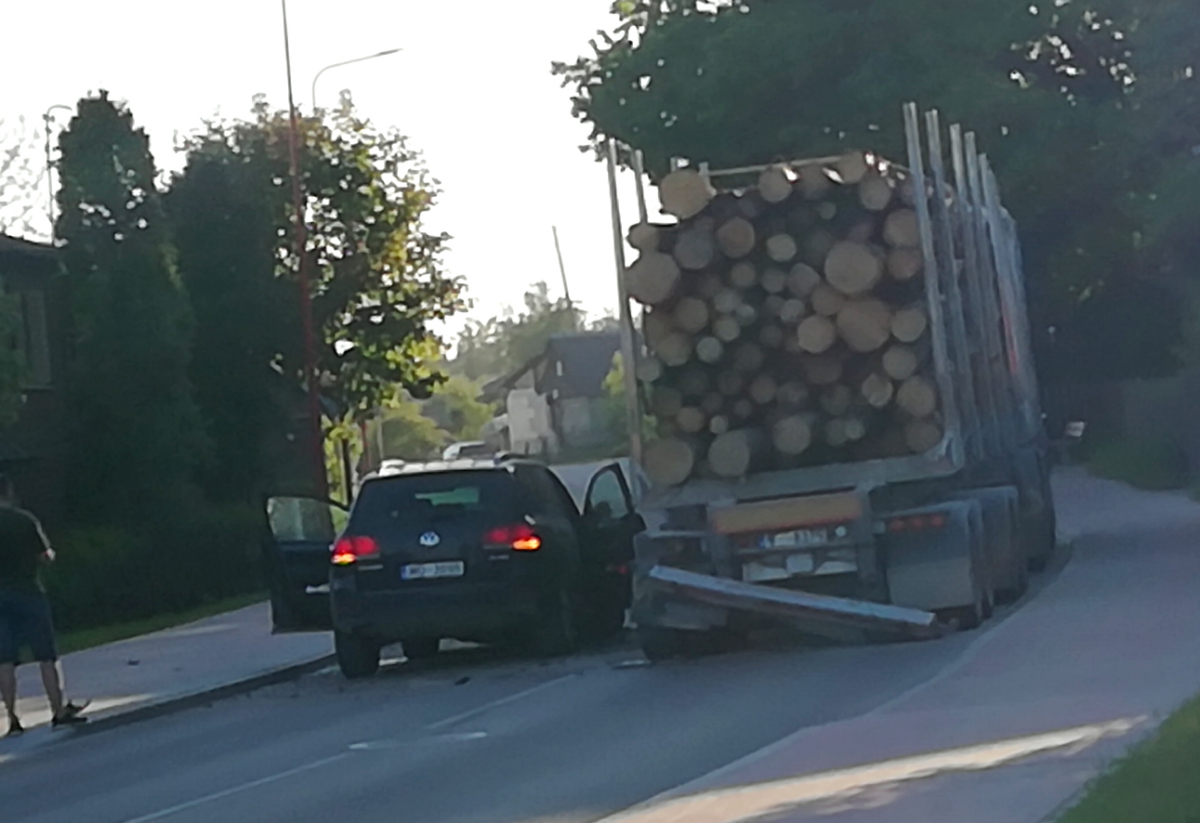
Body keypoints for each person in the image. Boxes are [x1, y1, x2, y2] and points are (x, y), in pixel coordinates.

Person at [0, 474, 86, 737]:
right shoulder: (24, 520)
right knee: (46, 655)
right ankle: (57, 711)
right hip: (28, 592)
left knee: (4, 659)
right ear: (8, 491)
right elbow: (45, 556)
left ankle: (12, 718)